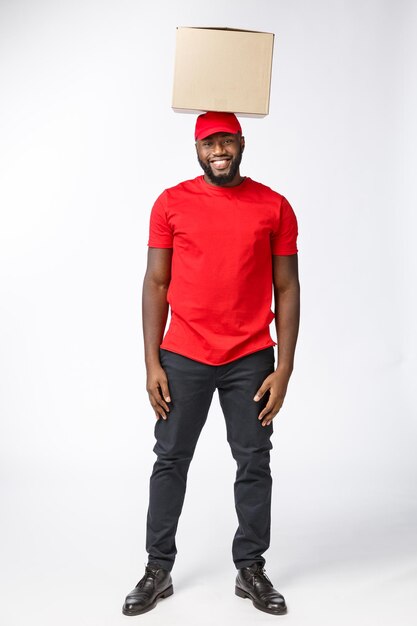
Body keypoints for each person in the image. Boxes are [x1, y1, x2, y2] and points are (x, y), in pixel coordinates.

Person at [122, 111, 300, 617]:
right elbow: (156, 282)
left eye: (226, 141)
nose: (217, 150)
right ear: (196, 149)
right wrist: (152, 361)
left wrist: (283, 367)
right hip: (183, 356)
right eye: (208, 143)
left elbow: (287, 287)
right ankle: (158, 568)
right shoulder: (171, 203)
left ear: (241, 143)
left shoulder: (274, 206)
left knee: (254, 460)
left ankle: (251, 568)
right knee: (171, 459)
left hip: (250, 357)